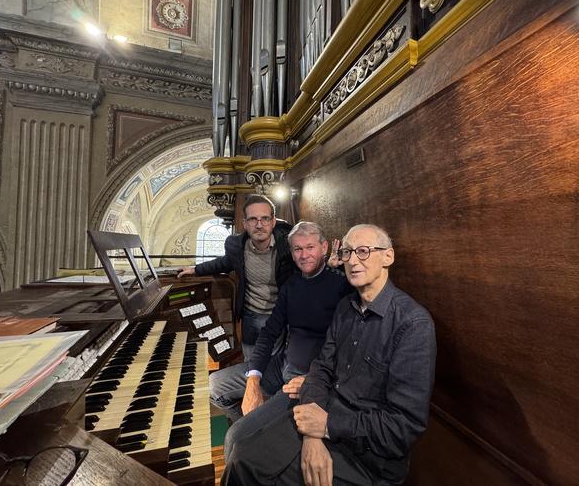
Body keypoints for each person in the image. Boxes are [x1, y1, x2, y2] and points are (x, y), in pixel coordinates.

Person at [222, 224, 437, 486]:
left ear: (388, 256)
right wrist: (314, 432)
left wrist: (326, 426)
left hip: (367, 456)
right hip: (325, 413)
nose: (353, 260)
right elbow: (321, 367)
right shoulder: (347, 307)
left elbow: (401, 428)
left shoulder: (412, 323)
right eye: (347, 252)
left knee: (247, 466)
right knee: (240, 451)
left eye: (364, 251)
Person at [210, 221, 353, 458]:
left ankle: (254, 436)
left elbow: (349, 346)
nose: (304, 255)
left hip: (307, 380)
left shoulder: (342, 285)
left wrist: (313, 379)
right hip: (280, 365)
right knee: (216, 385)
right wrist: (253, 381)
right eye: (297, 249)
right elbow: (268, 333)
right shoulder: (291, 285)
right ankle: (257, 432)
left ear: (324, 247)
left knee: (234, 439)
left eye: (310, 247)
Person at [177, 194, 296, 361]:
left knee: (272, 366)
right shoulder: (236, 246)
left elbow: (308, 262)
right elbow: (223, 263)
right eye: (253, 219)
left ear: (273, 221)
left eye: (265, 219)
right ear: (245, 223)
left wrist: (332, 266)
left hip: (277, 316)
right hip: (249, 315)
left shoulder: (289, 246)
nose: (259, 225)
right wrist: (195, 269)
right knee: (249, 362)